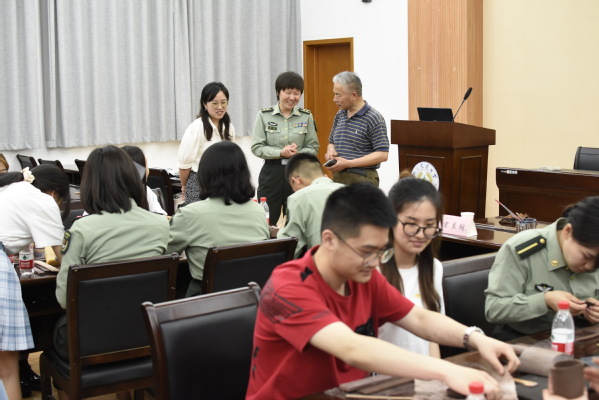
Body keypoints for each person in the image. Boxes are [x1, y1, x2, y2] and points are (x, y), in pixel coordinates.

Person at [246, 183, 519, 400]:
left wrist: (475, 338)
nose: (376, 262)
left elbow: (418, 318)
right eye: (367, 251)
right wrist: (445, 370)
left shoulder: (364, 278)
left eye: (381, 251)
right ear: (329, 239)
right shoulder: (288, 286)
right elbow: (350, 348)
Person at [485, 196, 599, 341]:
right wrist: (545, 300)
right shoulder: (523, 248)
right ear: (568, 231)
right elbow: (494, 309)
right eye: (586, 256)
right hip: (524, 340)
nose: (590, 266)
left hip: (582, 339)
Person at [0, 164, 70, 400]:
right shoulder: (43, 200)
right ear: (54, 193)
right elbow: (65, 260)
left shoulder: (10, 188)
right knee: (7, 371)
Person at [168, 141, 269, 297]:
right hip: (252, 298)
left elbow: (164, 256)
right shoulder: (258, 211)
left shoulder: (189, 214)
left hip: (207, 301)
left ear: (204, 174)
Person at [378, 175, 445, 357]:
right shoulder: (373, 270)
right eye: (411, 224)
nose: (420, 234)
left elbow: (432, 336)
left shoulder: (434, 268)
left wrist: (436, 370)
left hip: (424, 370)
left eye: (429, 225)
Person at [251, 71, 319, 226]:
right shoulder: (264, 115)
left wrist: (298, 154)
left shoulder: (306, 116)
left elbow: (313, 147)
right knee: (266, 221)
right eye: (288, 92)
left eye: (296, 93)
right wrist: (280, 153)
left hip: (298, 174)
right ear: (278, 92)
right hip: (271, 174)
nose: (292, 97)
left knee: (297, 221)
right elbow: (257, 147)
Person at [324, 71, 389, 186]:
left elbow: (382, 154)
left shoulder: (373, 118)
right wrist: (330, 151)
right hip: (338, 179)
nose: (334, 99)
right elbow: (331, 142)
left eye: (338, 95)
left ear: (353, 95)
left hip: (362, 180)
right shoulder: (340, 115)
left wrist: (349, 163)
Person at [273, 153, 343, 258]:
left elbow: (291, 248)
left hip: (323, 264)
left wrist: (279, 232)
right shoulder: (351, 191)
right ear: (325, 176)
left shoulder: (299, 197)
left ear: (296, 181)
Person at [178, 82, 235, 204]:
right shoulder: (196, 128)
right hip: (199, 183)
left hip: (224, 183)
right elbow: (184, 165)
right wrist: (184, 186)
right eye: (214, 103)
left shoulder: (229, 128)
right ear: (205, 104)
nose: (220, 107)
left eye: (223, 102)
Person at [121, 145, 167, 215]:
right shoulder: (143, 191)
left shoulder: (146, 190)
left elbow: (161, 215)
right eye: (146, 164)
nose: (148, 170)